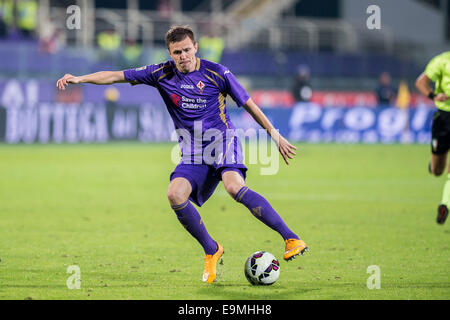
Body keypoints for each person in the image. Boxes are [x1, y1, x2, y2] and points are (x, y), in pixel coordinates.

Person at [56, 25, 308, 283]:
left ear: (195, 47)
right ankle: (212, 250)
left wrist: (274, 135)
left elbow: (248, 104)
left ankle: (290, 238)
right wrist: (80, 78)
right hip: (192, 149)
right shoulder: (160, 72)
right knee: (175, 194)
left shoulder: (217, 72)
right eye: (177, 52)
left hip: (222, 140)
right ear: (170, 52)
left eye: (187, 50)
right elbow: (115, 76)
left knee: (234, 187)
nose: (183, 56)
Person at [415, 51, 450, 224]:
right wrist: (434, 96)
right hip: (443, 118)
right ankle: (433, 163)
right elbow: (421, 82)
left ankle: (445, 204)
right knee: (437, 170)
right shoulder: (442, 61)